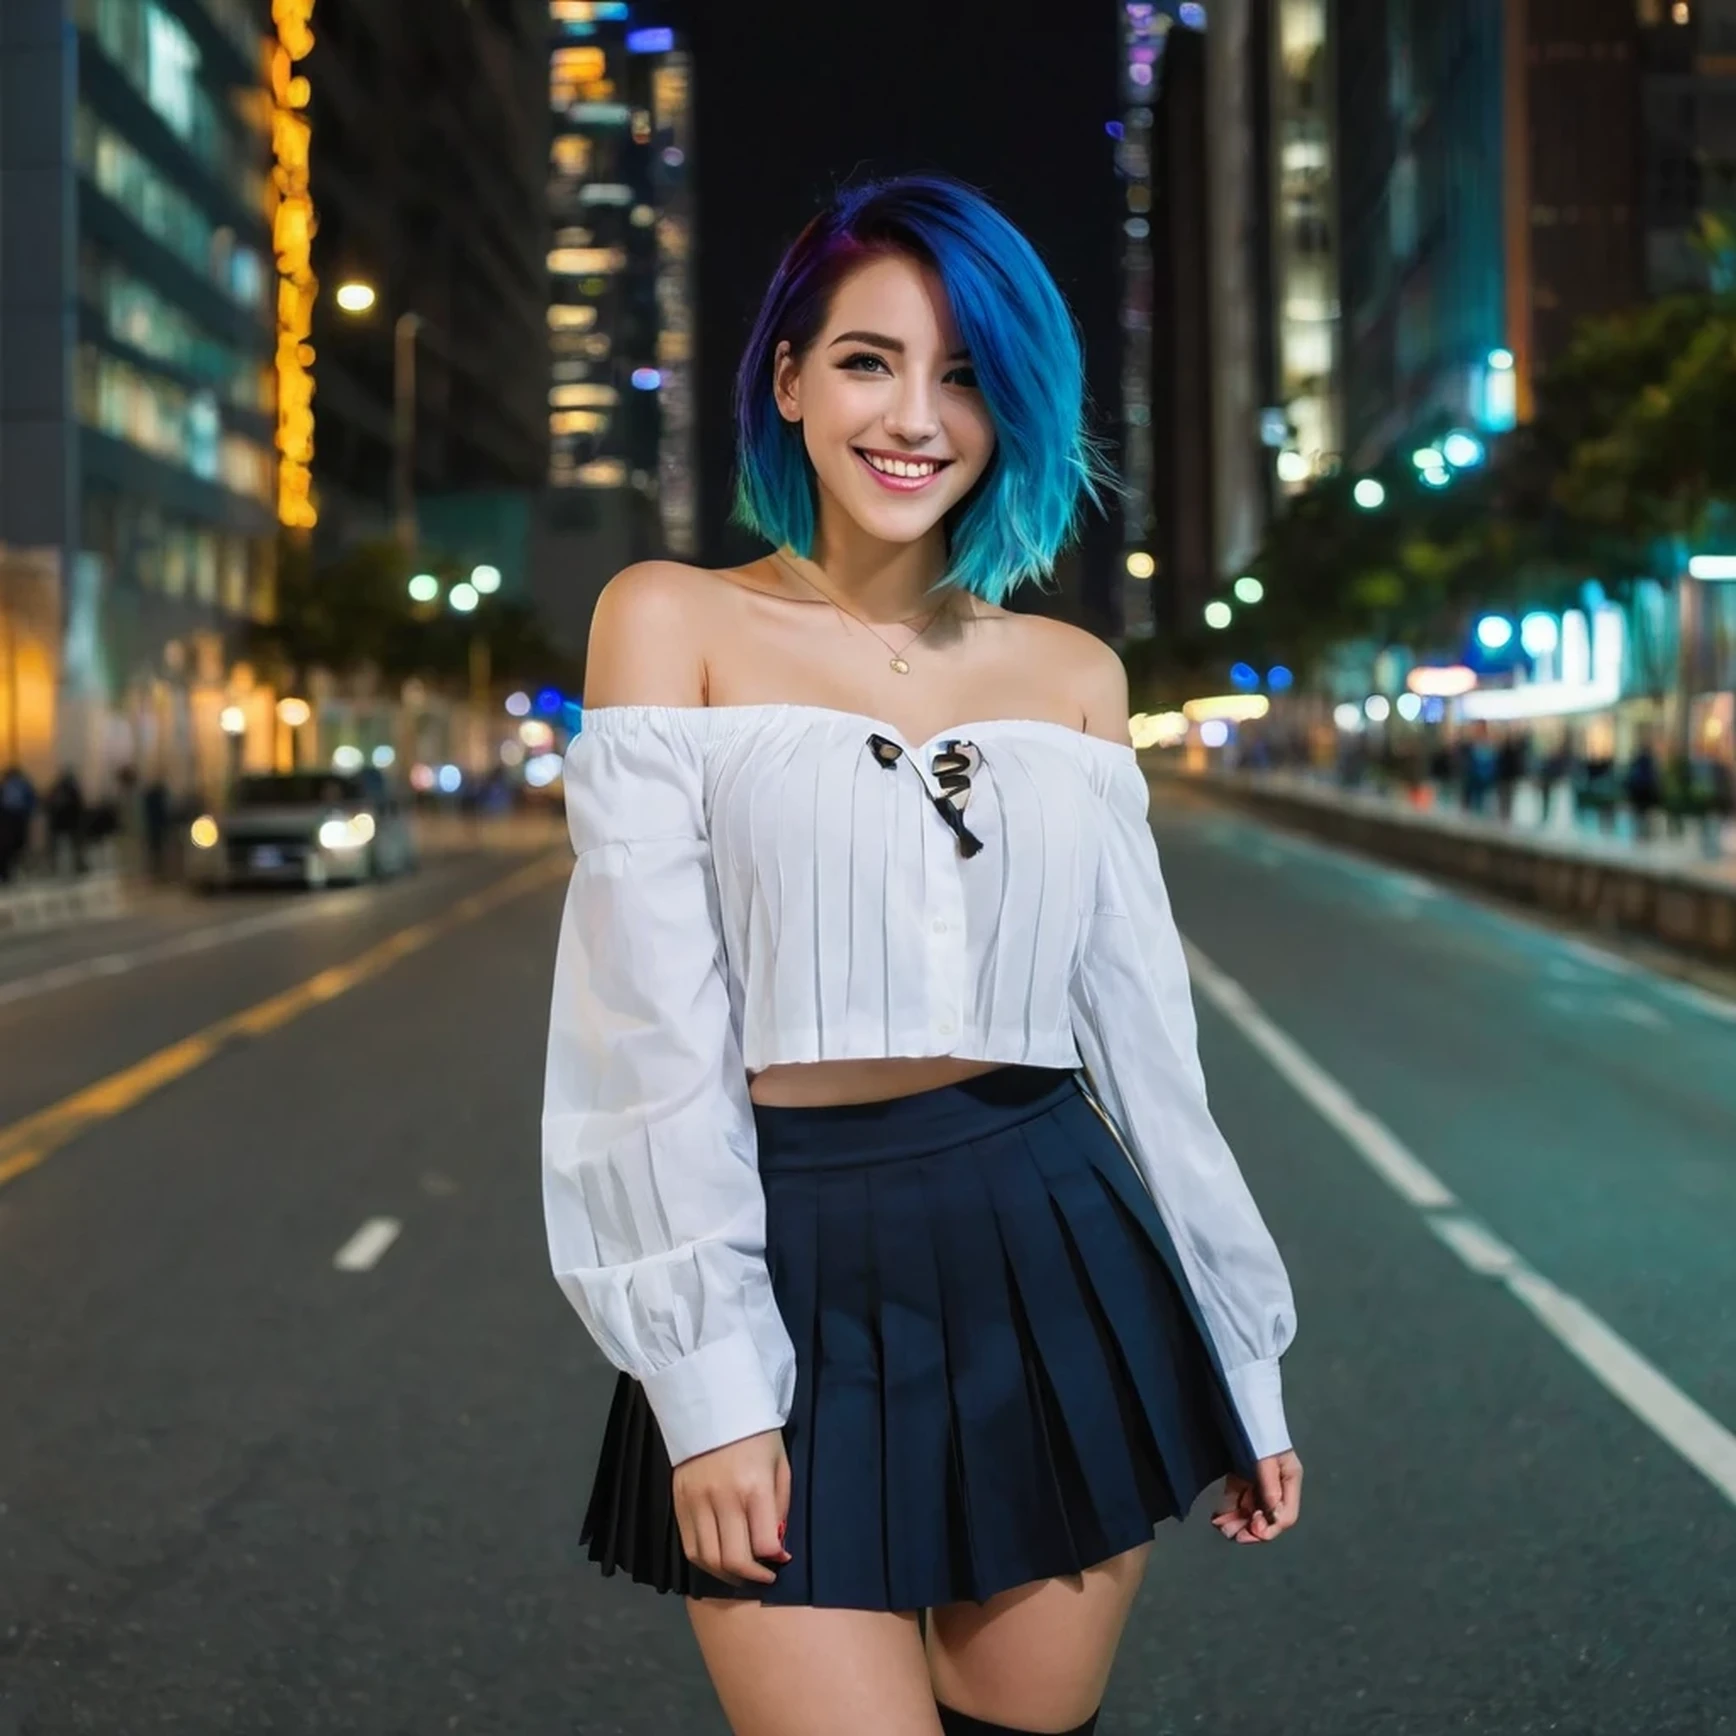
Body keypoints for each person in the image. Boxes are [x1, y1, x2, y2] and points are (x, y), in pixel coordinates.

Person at [541, 176, 1301, 1736]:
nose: (918, 415)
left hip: (1052, 1242)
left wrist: (1242, 1349)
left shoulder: (1075, 673)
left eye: (967, 374)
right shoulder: (667, 617)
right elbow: (643, 1035)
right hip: (788, 1251)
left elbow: (1146, 1043)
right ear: (791, 379)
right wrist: (708, 1391)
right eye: (873, 359)